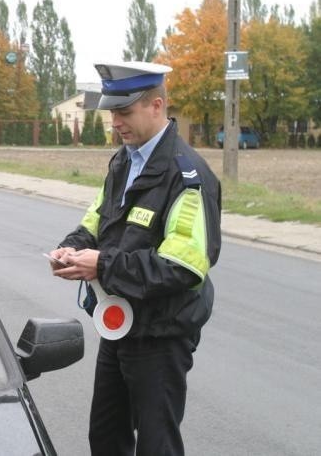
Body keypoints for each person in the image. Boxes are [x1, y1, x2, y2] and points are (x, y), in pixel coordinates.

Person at [48, 61, 221, 456]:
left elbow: (184, 268)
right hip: (118, 326)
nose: (115, 123)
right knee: (106, 438)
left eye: (124, 112)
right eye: (112, 113)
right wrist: (71, 249)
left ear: (156, 106)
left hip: (161, 335)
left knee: (156, 446)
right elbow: (96, 220)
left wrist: (103, 265)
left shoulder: (188, 175)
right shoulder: (123, 161)